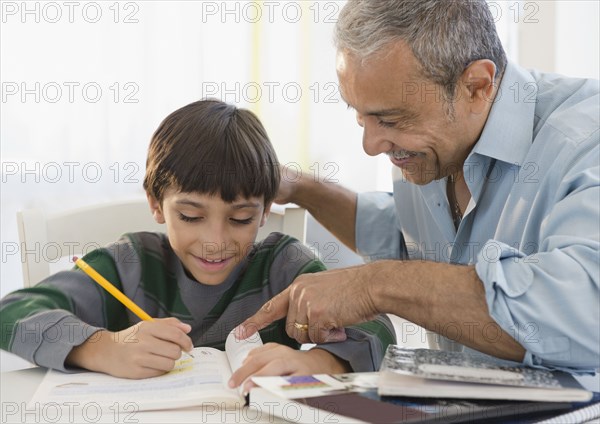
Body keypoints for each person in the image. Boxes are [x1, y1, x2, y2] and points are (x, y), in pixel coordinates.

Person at [234, 0, 599, 375]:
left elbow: (585, 313)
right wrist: (297, 187)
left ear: (476, 86)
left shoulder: (587, 140)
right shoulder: (431, 148)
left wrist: (372, 286)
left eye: (389, 120)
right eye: (361, 117)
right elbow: (405, 240)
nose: (371, 145)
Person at [0, 99, 395, 381]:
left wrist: (320, 363)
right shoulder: (129, 265)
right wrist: (101, 348)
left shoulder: (283, 266)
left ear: (263, 212)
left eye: (241, 218)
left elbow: (375, 324)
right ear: (156, 204)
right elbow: (12, 312)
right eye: (190, 216)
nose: (215, 241)